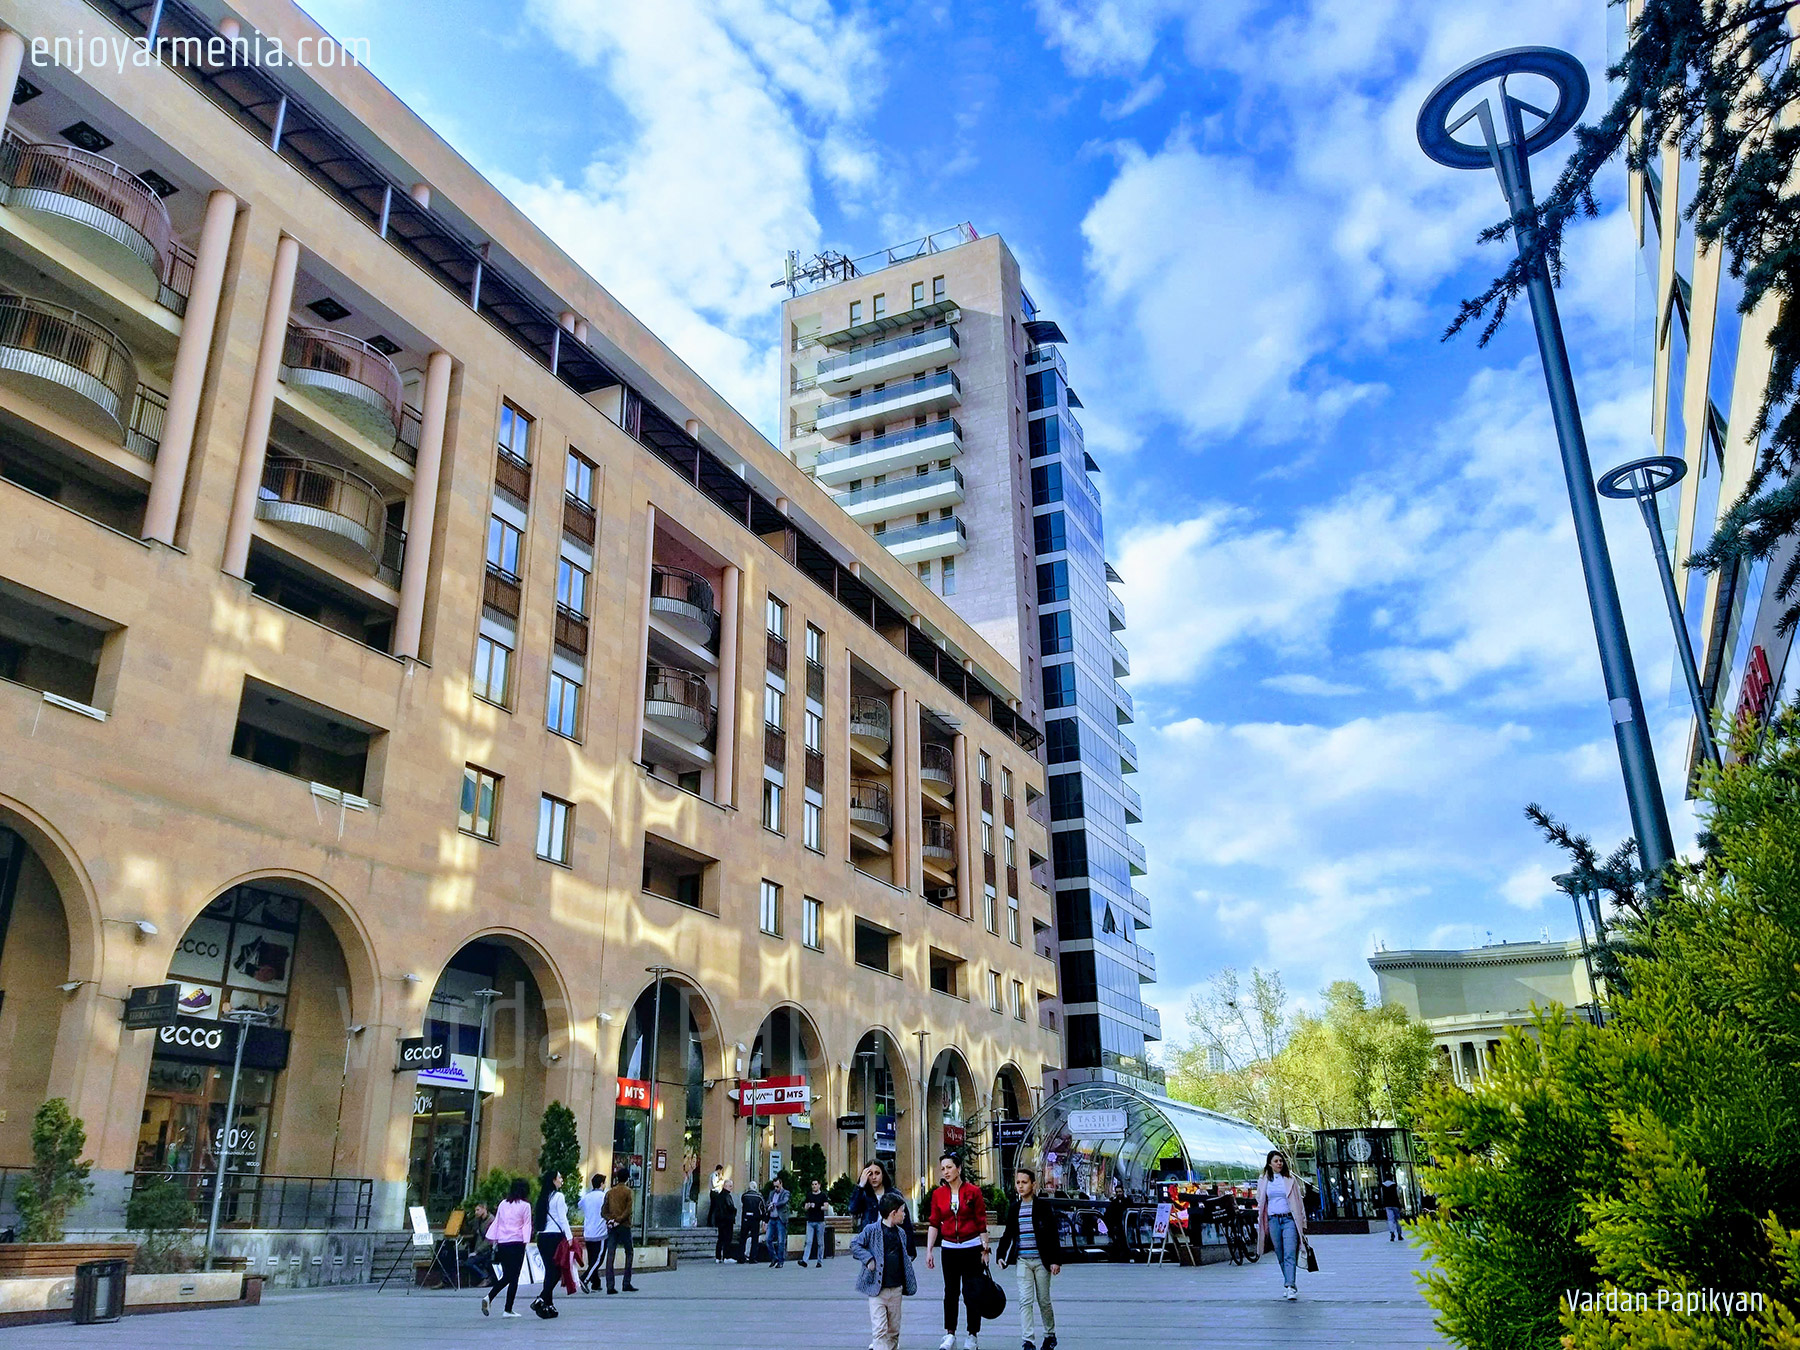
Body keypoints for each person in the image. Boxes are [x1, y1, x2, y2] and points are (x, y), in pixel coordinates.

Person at [925, 1152, 991, 1350]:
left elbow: (981, 1222)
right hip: (949, 1248)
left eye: (949, 1167)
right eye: (943, 1168)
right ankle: (950, 1334)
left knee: (972, 1292)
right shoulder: (938, 1194)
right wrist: (929, 1250)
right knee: (950, 1292)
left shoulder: (973, 1192)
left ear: (959, 1168)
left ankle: (972, 1334)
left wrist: (985, 1249)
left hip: (971, 1247)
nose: (946, 1172)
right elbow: (934, 1222)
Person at [996, 1167, 1062, 1350]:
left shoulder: (1043, 1207)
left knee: (1043, 1300)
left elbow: (1052, 1235)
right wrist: (1001, 1255)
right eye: (1018, 1182)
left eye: (1024, 1182)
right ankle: (1028, 1340)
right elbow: (1008, 1234)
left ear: (1033, 1184)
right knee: (1025, 1300)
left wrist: (1056, 1260)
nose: (1020, 1186)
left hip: (1042, 1261)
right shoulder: (1014, 1208)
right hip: (1023, 1261)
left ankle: (1050, 1335)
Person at [853, 1191, 918, 1350]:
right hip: (877, 1290)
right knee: (880, 1330)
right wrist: (868, 1259)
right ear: (893, 1213)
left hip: (896, 1289)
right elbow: (855, 1245)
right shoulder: (872, 1230)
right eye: (903, 1211)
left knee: (894, 1330)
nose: (904, 1214)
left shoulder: (901, 1233)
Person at [1256, 1149, 1307, 1302]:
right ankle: (1289, 1282)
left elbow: (1299, 1202)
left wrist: (1303, 1222)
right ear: (1269, 1164)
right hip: (1273, 1220)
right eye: (1276, 1161)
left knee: (1290, 1253)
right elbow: (1260, 1201)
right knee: (1279, 1252)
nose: (1279, 1163)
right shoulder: (1264, 1180)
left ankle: (1290, 1286)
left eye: (1281, 1161)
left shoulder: (1290, 1179)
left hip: (1289, 1219)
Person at [480, 1178, 532, 1318]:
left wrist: (494, 1238)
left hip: (503, 1243)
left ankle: (506, 1308)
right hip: (517, 1242)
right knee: (513, 1276)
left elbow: (497, 1222)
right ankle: (494, 1300)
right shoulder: (525, 1206)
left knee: (509, 1275)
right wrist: (527, 1241)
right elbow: (526, 1225)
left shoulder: (503, 1203)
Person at [529, 1170, 570, 1318]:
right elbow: (562, 1218)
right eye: (559, 1177)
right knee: (556, 1271)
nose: (561, 1179)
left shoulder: (543, 1197)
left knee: (549, 1270)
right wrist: (570, 1237)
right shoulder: (558, 1196)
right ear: (553, 1180)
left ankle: (548, 1304)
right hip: (555, 1236)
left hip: (542, 1237)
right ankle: (541, 1299)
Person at [601, 1166, 639, 1293]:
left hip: (612, 1227)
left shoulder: (610, 1192)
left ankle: (610, 1286)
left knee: (610, 1254)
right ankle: (626, 1282)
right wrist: (619, 1220)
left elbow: (603, 1211)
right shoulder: (628, 1192)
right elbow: (628, 1210)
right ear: (627, 1178)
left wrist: (610, 1220)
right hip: (624, 1226)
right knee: (629, 1252)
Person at [578, 1173, 609, 1290]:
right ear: (601, 1184)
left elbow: (579, 1205)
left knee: (592, 1259)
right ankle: (585, 1278)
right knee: (598, 1260)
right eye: (604, 1183)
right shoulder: (604, 1197)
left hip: (588, 1232)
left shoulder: (587, 1197)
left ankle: (596, 1283)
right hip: (600, 1233)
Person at [800, 1178, 829, 1267]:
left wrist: (816, 1206)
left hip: (820, 1221)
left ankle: (819, 1261)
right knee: (808, 1241)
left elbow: (826, 1207)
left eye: (816, 1184)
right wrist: (808, 1206)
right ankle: (804, 1260)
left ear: (819, 1185)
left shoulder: (823, 1195)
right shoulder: (809, 1195)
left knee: (820, 1242)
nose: (814, 1186)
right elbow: (805, 1207)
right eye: (813, 1184)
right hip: (810, 1221)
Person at [708, 1178, 738, 1262]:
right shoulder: (727, 1196)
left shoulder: (719, 1196)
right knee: (727, 1238)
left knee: (720, 1238)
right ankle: (726, 1256)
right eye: (730, 1186)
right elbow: (730, 1207)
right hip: (727, 1220)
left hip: (720, 1220)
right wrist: (734, 1211)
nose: (731, 1188)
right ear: (725, 1186)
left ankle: (718, 1257)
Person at [766, 1174, 792, 1268]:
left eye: (777, 1186)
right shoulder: (772, 1193)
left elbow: (784, 1201)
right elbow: (767, 1202)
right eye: (775, 1186)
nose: (776, 1188)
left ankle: (781, 1261)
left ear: (781, 1184)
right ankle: (774, 1257)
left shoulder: (786, 1192)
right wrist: (768, 1206)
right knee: (768, 1239)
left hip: (780, 1219)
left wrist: (775, 1204)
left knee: (781, 1241)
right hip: (772, 1218)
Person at [738, 1180, 765, 1264]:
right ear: (755, 1188)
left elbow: (742, 1203)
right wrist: (763, 1218)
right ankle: (752, 1258)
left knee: (743, 1238)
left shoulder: (744, 1196)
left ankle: (741, 1257)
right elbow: (762, 1208)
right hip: (755, 1219)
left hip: (745, 1219)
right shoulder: (759, 1197)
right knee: (754, 1239)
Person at [1103, 1181, 1130, 1263]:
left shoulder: (1127, 1201)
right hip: (1116, 1225)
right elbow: (1109, 1214)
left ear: (1123, 1191)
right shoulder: (1113, 1203)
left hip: (1124, 1224)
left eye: (1120, 1192)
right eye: (1117, 1192)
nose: (1119, 1194)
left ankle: (1124, 1256)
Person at [1379, 1174, 1403, 1241]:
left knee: (1390, 1219)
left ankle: (1392, 1233)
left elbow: (1382, 1196)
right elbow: (1399, 1195)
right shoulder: (1395, 1185)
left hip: (1387, 1204)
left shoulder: (1382, 1186)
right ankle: (1399, 1234)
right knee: (1398, 1219)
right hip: (1395, 1204)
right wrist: (1400, 1204)